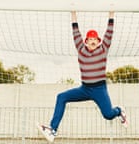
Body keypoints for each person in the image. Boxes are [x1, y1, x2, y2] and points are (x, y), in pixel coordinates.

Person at [37, 11, 127, 142]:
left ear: (98, 41)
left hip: (99, 89)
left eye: (95, 39)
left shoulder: (103, 49)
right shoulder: (81, 49)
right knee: (61, 97)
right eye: (90, 39)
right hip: (84, 89)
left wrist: (111, 15)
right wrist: (73, 13)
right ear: (86, 41)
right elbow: (75, 32)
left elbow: (109, 33)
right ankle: (52, 130)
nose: (92, 41)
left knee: (108, 115)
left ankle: (119, 111)